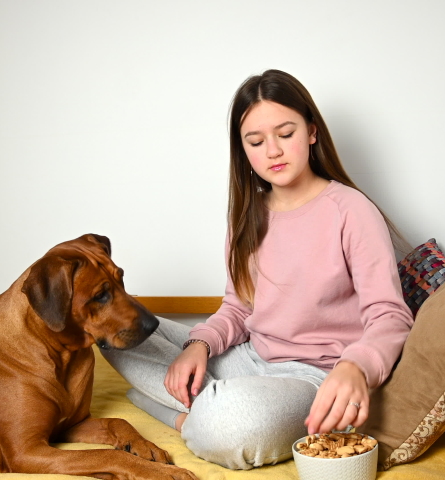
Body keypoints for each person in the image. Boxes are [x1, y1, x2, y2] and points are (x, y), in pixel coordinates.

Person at [102, 69, 414, 470]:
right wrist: (199, 346)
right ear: (243, 150)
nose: (274, 151)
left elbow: (390, 315)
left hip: (314, 377)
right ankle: (209, 398)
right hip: (249, 355)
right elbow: (238, 308)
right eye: (256, 141)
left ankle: (183, 414)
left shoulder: (351, 210)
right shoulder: (248, 216)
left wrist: (357, 366)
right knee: (114, 334)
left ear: (312, 133)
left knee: (230, 425)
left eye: (286, 134)